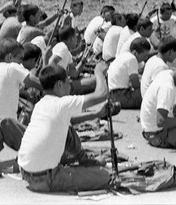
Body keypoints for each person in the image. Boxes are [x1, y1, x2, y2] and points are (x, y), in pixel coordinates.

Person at [17, 63, 111, 193]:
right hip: (46, 179)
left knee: (68, 129)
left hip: (27, 172)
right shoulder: (62, 104)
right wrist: (99, 72)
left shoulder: (41, 104)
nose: (70, 86)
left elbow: (69, 121)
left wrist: (97, 114)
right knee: (104, 176)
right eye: (68, 82)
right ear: (59, 85)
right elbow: (101, 94)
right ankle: (77, 169)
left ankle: (84, 161)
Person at [0, 38, 43, 119]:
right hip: (3, 125)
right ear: (10, 57)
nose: (21, 63)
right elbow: (41, 84)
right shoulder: (13, 67)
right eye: (20, 58)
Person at [49, 27, 95, 95]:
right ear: (71, 38)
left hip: (64, 83)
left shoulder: (67, 52)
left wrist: (83, 61)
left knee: (91, 78)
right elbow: (51, 62)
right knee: (96, 81)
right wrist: (60, 76)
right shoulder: (62, 47)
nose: (77, 40)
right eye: (76, 37)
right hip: (60, 87)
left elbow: (74, 74)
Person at [108, 37, 151, 109]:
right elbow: (136, 85)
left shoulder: (123, 55)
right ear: (135, 52)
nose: (145, 58)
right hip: (121, 96)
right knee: (149, 92)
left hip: (112, 96)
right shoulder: (132, 59)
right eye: (144, 55)